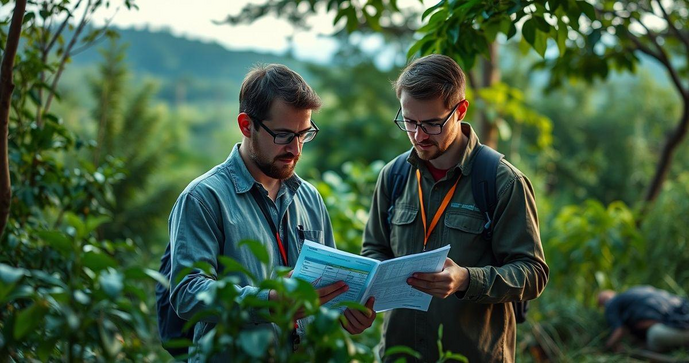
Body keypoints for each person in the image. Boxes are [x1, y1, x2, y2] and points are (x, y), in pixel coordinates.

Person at [166, 64, 376, 359]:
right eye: (283, 135)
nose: (296, 148)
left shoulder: (310, 198)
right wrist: (268, 301)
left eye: (304, 134)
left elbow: (329, 291)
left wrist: (347, 314)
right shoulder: (204, 198)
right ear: (246, 125)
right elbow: (188, 294)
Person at [361, 54, 549, 363]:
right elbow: (374, 249)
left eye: (433, 124)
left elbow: (533, 273)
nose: (419, 136)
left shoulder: (502, 181)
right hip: (400, 353)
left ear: (460, 110)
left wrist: (466, 279)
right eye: (409, 122)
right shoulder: (393, 176)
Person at [598, 286, 689, 352]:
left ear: (603, 303)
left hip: (682, 327)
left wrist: (606, 347)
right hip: (684, 312)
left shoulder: (611, 305)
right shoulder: (639, 291)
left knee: (653, 335)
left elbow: (619, 331)